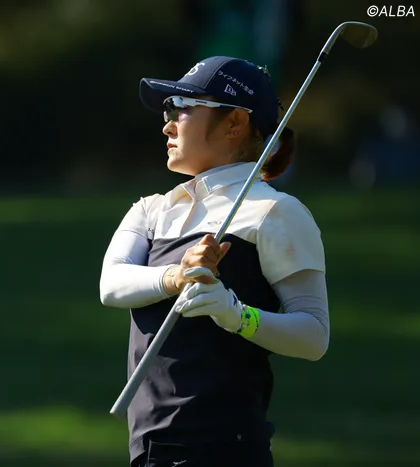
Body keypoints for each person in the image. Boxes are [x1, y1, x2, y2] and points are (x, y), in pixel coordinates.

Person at [99, 56, 329, 467]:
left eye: (180, 108)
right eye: (168, 110)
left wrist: (238, 316)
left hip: (228, 450)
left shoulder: (275, 212)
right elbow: (111, 285)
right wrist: (175, 276)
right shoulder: (152, 210)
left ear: (235, 123)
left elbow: (314, 335)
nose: (167, 125)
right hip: (149, 451)